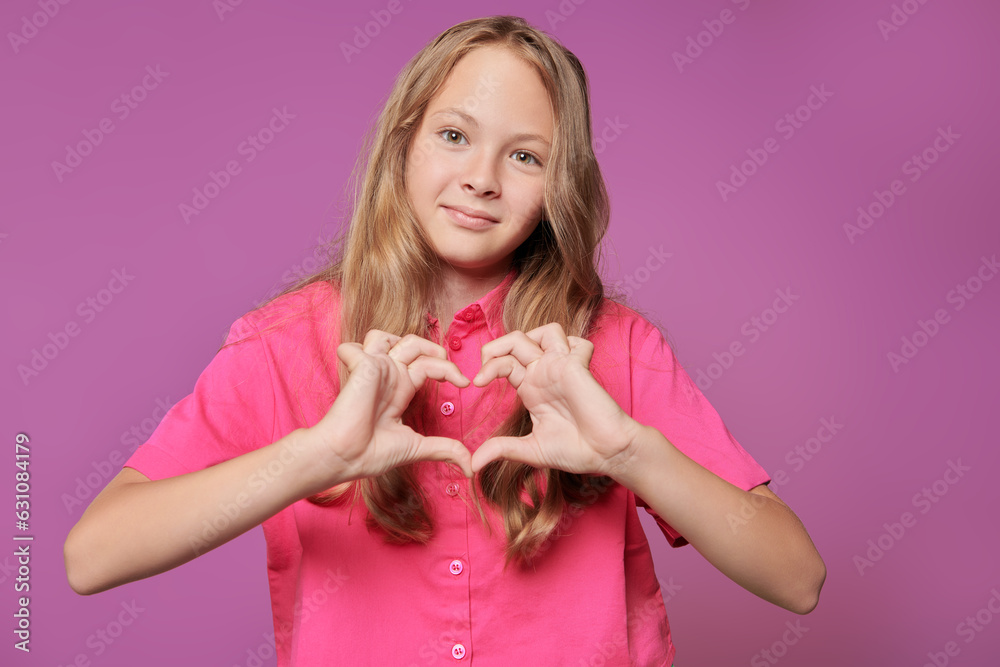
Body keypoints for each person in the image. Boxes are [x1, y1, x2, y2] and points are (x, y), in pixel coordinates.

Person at [63, 15, 825, 666]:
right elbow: (93, 556)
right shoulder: (284, 343)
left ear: (561, 187)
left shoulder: (610, 351)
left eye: (525, 156)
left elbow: (798, 578)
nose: (482, 178)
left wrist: (628, 452)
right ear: (404, 147)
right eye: (455, 135)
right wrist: (318, 456)